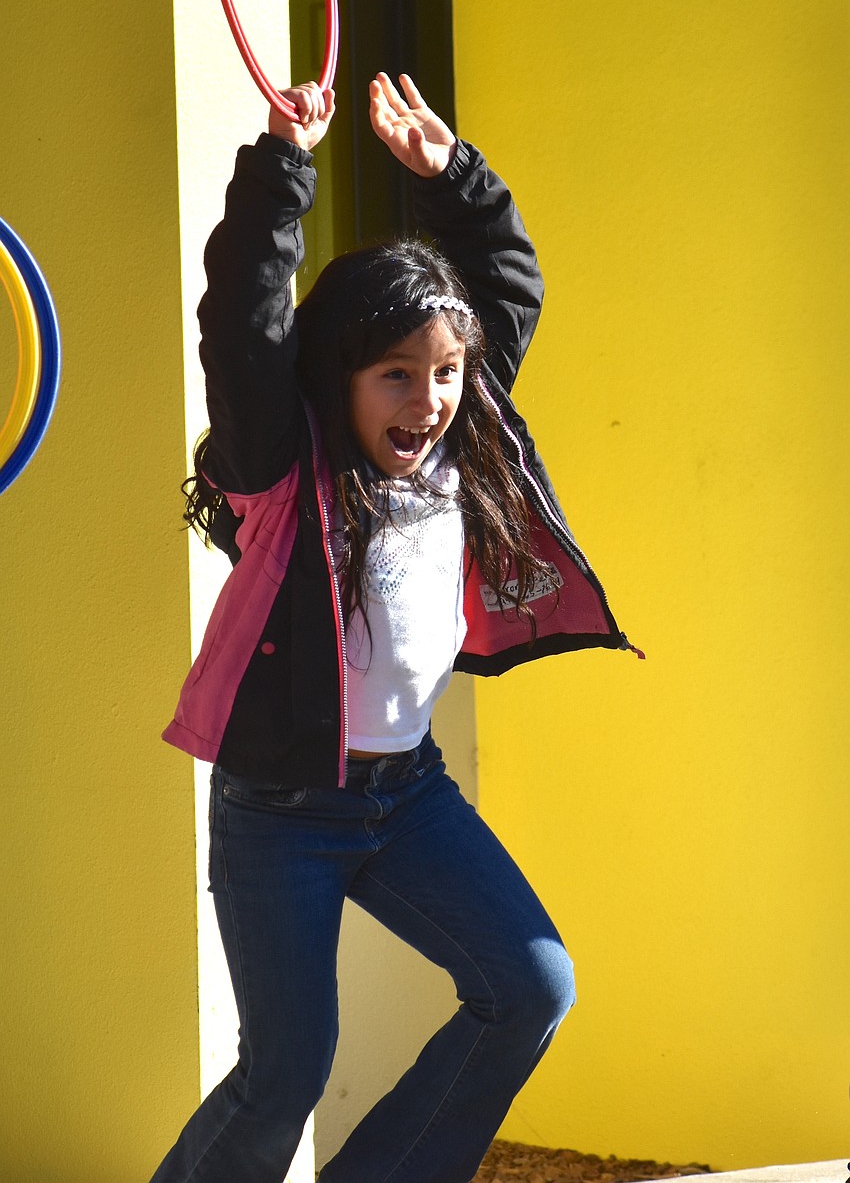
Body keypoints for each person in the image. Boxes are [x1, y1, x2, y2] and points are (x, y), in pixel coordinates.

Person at [151, 73, 637, 1183]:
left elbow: (508, 280)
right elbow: (241, 316)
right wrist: (284, 163)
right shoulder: (287, 460)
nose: (426, 399)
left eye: (446, 374)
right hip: (282, 809)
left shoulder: (464, 437)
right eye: (396, 376)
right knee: (286, 1067)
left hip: (405, 795)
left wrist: (450, 176)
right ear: (339, 375)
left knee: (529, 986)